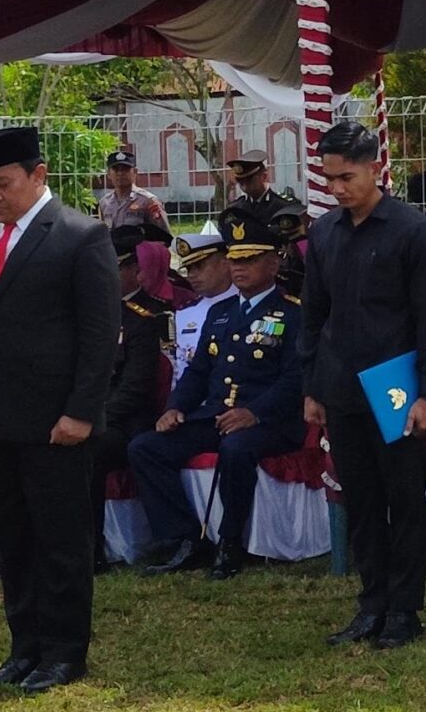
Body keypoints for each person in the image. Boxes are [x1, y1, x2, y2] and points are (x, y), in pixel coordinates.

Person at [0, 124, 119, 694]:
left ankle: (65, 651)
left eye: (3, 184)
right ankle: (24, 647)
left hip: (53, 420)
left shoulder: (78, 235)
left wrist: (82, 411)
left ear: (38, 175)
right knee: (11, 537)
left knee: (60, 538)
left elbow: (98, 334)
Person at [301, 121, 426, 653]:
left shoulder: (414, 232)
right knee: (359, 499)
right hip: (340, 385)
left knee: (403, 499)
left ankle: (405, 609)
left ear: (375, 168)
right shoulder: (323, 233)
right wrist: (312, 387)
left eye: (347, 176)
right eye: (330, 178)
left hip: (396, 386)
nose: (338, 188)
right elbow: (314, 314)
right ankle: (372, 603)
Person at [128, 212, 303, 580]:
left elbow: (295, 378)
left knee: (237, 448)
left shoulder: (291, 313)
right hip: (215, 414)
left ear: (274, 262)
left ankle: (230, 541)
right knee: (146, 447)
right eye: (235, 260)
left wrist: (253, 412)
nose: (240, 268)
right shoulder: (221, 313)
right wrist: (175, 407)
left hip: (270, 420)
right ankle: (185, 539)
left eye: (251, 259)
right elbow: (199, 372)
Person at [89, 227, 172, 569]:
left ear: (131, 271)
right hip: (90, 415)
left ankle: (90, 551)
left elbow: (136, 388)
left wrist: (91, 417)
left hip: (125, 423)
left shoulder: (144, 320)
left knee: (86, 451)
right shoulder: (91, 316)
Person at [169, 228, 234, 375]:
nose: (192, 274)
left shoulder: (246, 305)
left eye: (199, 266)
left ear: (225, 264)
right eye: (188, 268)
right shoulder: (184, 313)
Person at [223, 151, 298, 231]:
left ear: (264, 176)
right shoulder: (235, 208)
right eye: (240, 181)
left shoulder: (283, 207)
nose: (244, 184)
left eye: (249, 180)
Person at [98, 149, 166, 235]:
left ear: (135, 172)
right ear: (108, 174)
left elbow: (164, 235)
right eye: (116, 169)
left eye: (125, 169)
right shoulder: (104, 203)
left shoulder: (148, 201)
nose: (120, 173)